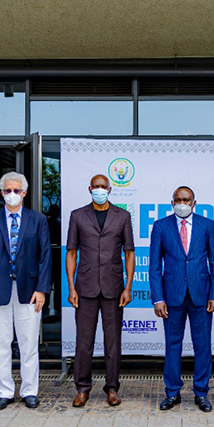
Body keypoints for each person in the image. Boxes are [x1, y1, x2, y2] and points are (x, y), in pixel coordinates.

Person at [0, 172, 51, 410]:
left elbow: (45, 256)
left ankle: (29, 390)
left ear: (24, 193)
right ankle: (4, 391)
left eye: (16, 190)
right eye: (7, 190)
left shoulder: (38, 220)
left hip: (30, 291)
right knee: (1, 342)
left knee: (28, 342)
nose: (12, 194)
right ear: (1, 193)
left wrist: (42, 289)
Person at [150, 186, 214, 413]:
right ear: (172, 203)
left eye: (186, 200)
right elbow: (154, 266)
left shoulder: (206, 225)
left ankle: (201, 392)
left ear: (194, 203)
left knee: (203, 346)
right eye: (178, 200)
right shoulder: (161, 226)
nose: (182, 203)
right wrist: (158, 298)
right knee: (173, 345)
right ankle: (172, 392)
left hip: (201, 295)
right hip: (172, 296)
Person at [66, 174, 135, 407]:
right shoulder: (77, 215)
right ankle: (82, 389)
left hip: (113, 287)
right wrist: (71, 287)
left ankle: (112, 388)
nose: (99, 190)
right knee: (83, 341)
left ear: (110, 189)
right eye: (96, 186)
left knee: (112, 342)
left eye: (103, 186)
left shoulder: (122, 216)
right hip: (85, 287)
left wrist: (128, 287)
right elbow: (71, 253)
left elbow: (129, 253)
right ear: (89, 189)